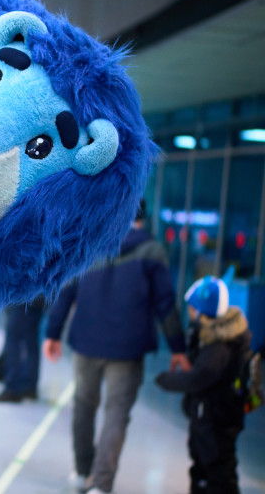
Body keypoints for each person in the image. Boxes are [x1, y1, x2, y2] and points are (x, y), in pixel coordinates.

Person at [42, 201, 190, 494]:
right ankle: (101, 484)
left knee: (84, 407)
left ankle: (83, 473)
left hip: (86, 342)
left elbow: (66, 289)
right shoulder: (152, 251)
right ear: (143, 217)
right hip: (128, 348)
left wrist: (52, 332)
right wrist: (178, 348)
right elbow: (165, 304)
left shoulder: (90, 244)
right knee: (117, 413)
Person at [155, 274, 251, 494]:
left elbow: (200, 376)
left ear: (202, 312)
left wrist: (166, 380)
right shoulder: (209, 336)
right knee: (201, 470)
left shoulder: (219, 346)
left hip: (217, 420)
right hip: (206, 418)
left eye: (192, 309)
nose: (189, 313)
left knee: (218, 473)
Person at [0, 297, 46, 402]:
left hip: (24, 296)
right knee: (30, 340)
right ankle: (29, 387)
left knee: (14, 338)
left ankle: (13, 388)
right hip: (39, 296)